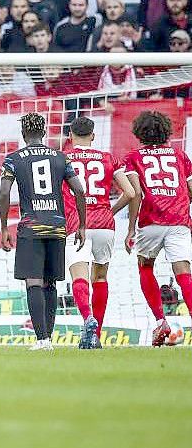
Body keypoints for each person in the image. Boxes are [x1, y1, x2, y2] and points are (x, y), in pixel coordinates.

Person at [0, 113, 86, 351]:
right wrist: (82, 225)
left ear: (23, 134)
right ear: (44, 132)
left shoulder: (13, 159)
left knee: (33, 282)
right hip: (58, 225)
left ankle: (42, 340)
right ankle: (49, 337)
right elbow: (79, 190)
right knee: (51, 283)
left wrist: (4, 226)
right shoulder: (61, 157)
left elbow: (5, 193)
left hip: (31, 226)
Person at [61, 116, 135, 348]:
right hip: (104, 224)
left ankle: (88, 321)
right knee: (100, 277)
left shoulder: (63, 159)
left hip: (76, 224)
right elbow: (131, 192)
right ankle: (97, 335)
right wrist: (109, 210)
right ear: (93, 136)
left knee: (80, 278)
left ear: (70, 137)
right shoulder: (108, 158)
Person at [123, 110, 192, 346]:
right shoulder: (180, 155)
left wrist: (130, 229)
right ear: (165, 131)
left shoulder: (133, 157)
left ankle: (160, 321)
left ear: (140, 133)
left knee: (145, 267)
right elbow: (191, 189)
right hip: (179, 220)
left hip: (150, 221)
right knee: (183, 272)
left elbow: (136, 194)